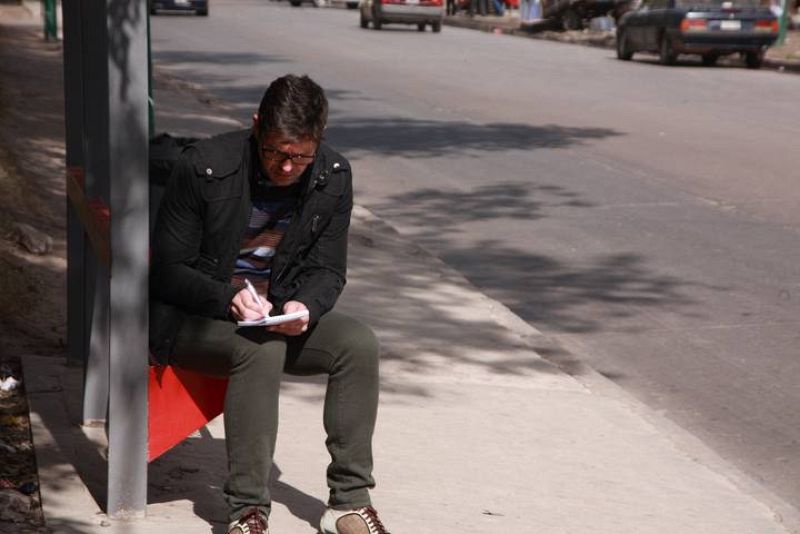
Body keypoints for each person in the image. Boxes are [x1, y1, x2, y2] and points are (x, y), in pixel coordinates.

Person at [149, 74, 389, 534]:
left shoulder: (333, 176)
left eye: (301, 156)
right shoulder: (205, 166)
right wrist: (228, 297)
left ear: (319, 139)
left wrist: (305, 306)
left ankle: (349, 502)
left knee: (358, 344)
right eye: (277, 152)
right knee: (259, 349)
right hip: (193, 318)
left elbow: (329, 270)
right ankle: (248, 510)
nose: (287, 166)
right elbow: (168, 271)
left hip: (272, 315)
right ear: (257, 125)